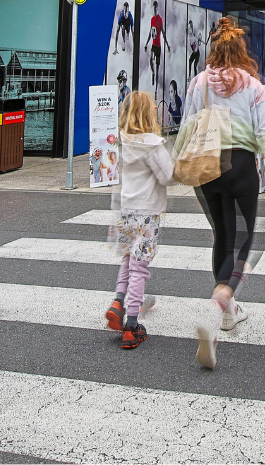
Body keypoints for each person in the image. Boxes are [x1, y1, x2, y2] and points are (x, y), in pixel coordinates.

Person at [178, 17, 265, 371]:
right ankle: (219, 303)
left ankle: (228, 313)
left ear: (214, 50)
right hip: (241, 166)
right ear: (240, 51)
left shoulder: (198, 83)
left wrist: (175, 165)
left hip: (206, 168)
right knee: (248, 238)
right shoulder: (252, 84)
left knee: (222, 235)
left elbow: (186, 128)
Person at [105, 92, 175, 349]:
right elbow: (168, 175)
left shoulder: (121, 142)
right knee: (139, 267)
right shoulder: (153, 145)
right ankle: (132, 325)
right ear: (148, 113)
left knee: (127, 259)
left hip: (125, 211)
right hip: (147, 213)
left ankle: (118, 302)